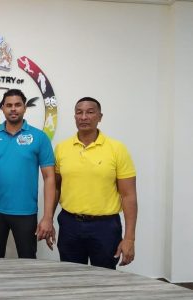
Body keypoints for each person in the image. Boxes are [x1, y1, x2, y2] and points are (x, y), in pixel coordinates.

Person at [0, 89, 56, 258]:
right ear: (2, 108)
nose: (13, 109)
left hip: (26, 212)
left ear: (24, 108)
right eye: (9, 105)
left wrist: (48, 217)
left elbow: (49, 177)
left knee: (28, 260)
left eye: (17, 105)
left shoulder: (39, 137)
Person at [55, 97, 137, 269]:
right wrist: (48, 218)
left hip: (105, 227)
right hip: (70, 224)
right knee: (70, 278)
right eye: (79, 112)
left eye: (90, 112)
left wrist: (129, 238)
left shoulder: (117, 149)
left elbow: (128, 195)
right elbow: (55, 187)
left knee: (105, 279)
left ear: (100, 117)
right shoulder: (62, 148)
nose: (84, 117)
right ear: (75, 117)